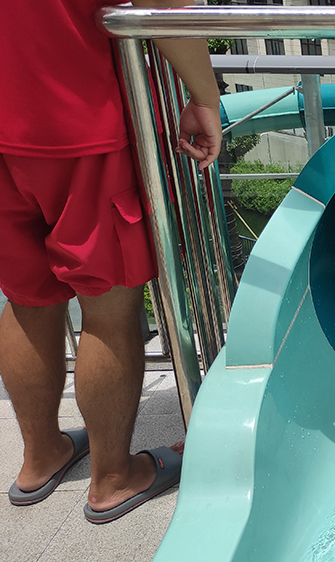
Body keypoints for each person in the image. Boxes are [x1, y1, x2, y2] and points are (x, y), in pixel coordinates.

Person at [0, 0, 222, 524]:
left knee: (27, 298)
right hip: (78, 121)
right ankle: (114, 478)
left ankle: (40, 457)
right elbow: (164, 9)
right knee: (108, 307)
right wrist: (204, 97)